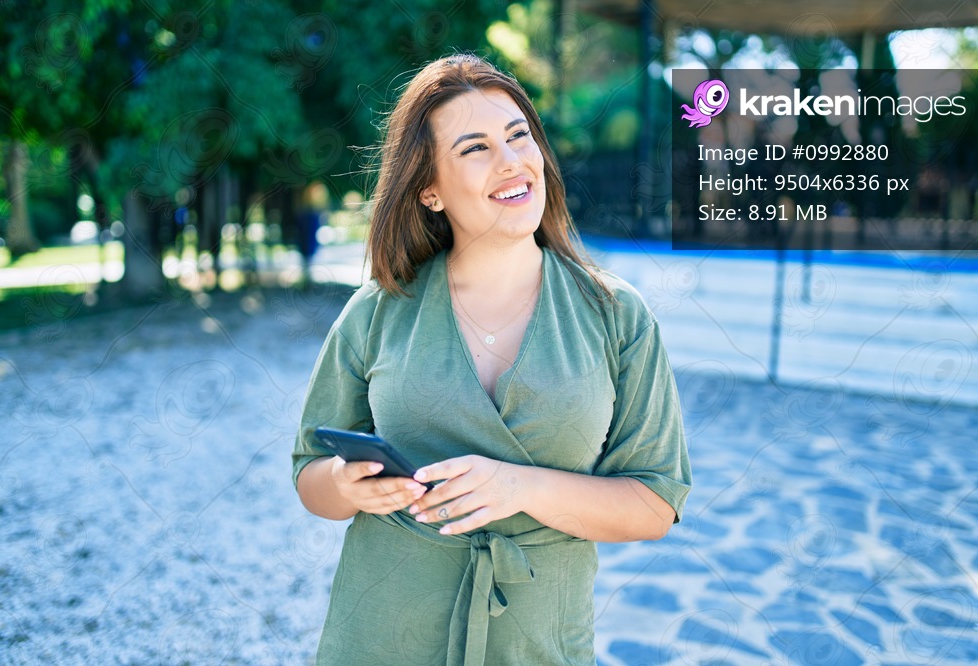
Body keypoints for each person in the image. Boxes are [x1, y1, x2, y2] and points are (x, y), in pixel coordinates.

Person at [292, 53, 691, 665]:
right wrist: (348, 487)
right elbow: (310, 477)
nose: (511, 162)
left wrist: (517, 486)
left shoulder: (617, 315)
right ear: (428, 189)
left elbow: (655, 503)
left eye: (518, 135)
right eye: (475, 148)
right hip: (383, 632)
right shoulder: (376, 311)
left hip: (539, 639)